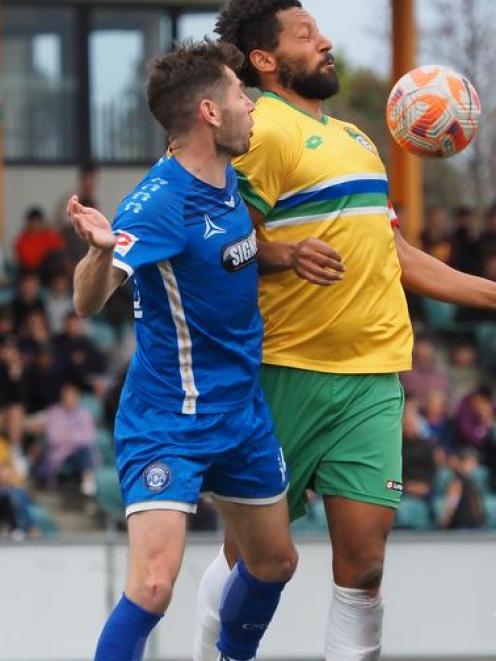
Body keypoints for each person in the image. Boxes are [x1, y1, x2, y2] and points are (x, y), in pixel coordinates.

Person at [192, 2, 496, 660]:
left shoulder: (358, 140)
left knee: (363, 569)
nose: (326, 42)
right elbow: (218, 241)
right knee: (250, 555)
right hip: (284, 371)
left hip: (371, 378)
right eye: (307, 35)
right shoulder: (261, 131)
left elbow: (394, 252)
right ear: (266, 60)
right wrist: (284, 253)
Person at [68, 39, 297, 661]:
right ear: (209, 113)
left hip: (242, 412)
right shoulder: (159, 202)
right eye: (239, 95)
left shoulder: (231, 184)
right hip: (171, 418)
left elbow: (230, 259)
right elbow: (88, 302)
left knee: (275, 562)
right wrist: (96, 250)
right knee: (151, 585)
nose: (251, 105)